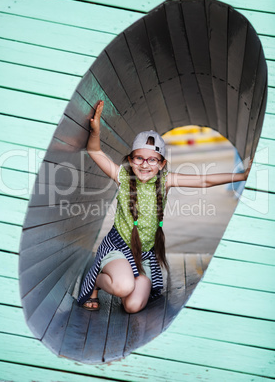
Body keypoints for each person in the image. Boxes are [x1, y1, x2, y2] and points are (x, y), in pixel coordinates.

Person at [77, 100, 251, 313]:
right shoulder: (122, 176)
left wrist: (240, 175)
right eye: (139, 158)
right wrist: (95, 131)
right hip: (119, 249)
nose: (144, 164)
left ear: (161, 164)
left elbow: (203, 180)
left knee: (132, 306)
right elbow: (95, 152)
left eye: (152, 160)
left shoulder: (165, 180)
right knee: (123, 287)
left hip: (144, 256)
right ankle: (96, 281)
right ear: (130, 160)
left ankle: (125, 280)